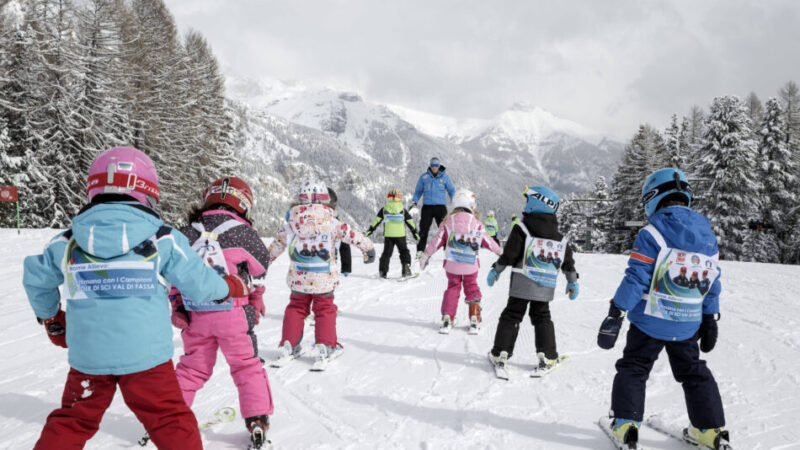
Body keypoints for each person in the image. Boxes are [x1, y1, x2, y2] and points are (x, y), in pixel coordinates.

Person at [22, 147, 249, 450]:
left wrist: (51, 317)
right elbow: (200, 284)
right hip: (147, 359)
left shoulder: (68, 241)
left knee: (73, 420)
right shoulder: (162, 237)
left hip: (89, 358)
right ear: (148, 194)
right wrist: (229, 286)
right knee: (169, 419)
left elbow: (36, 280)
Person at [597, 168, 728, 450]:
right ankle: (709, 430)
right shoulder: (707, 235)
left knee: (634, 367)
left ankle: (626, 425)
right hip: (687, 323)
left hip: (650, 321)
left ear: (652, 198)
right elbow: (712, 279)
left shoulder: (652, 232)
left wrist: (616, 312)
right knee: (693, 371)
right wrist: (710, 316)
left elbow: (637, 278)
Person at [170, 177, 273, 448]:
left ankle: (170, 419)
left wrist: (177, 305)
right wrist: (256, 296)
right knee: (246, 366)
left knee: (191, 369)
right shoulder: (243, 232)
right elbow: (260, 267)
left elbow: (172, 272)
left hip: (195, 314)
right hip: (233, 313)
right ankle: (257, 420)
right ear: (244, 205)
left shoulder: (185, 233)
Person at [268, 180, 376, 368]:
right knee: (324, 309)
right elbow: (353, 236)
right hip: (323, 278)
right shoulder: (333, 223)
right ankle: (325, 347)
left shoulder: (291, 224)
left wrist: (263, 262)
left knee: (296, 308)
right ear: (326, 201)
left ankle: (289, 344)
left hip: (298, 278)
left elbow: (276, 245)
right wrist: (368, 249)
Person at [486, 186, 579, 372]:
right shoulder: (559, 237)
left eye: (528, 200)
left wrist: (496, 270)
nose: (526, 204)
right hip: (544, 287)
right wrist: (572, 280)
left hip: (522, 282)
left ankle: (500, 352)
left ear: (536, 202)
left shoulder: (521, 228)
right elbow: (567, 261)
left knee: (512, 315)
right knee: (542, 317)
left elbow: (510, 254)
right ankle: (548, 356)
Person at [420, 189, 502, 332]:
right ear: (471, 205)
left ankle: (447, 317)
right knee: (471, 286)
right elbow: (488, 241)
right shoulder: (476, 223)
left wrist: (426, 255)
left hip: (452, 264)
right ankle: (474, 317)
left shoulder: (448, 222)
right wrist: (501, 252)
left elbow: (437, 240)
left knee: (453, 287)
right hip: (470, 265)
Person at [365, 188, 420, 278]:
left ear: (389, 198)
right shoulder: (402, 209)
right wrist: (415, 233)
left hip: (388, 236)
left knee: (386, 254)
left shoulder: (384, 209)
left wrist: (369, 231)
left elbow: (376, 221)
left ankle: (383, 271)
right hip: (400, 235)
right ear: (399, 198)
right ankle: (406, 268)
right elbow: (410, 222)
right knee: (404, 252)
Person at [411, 157, 456, 257]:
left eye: (436, 165)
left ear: (439, 166)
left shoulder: (444, 177)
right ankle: (420, 251)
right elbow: (418, 191)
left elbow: (451, 190)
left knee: (445, 229)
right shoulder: (424, 177)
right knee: (423, 229)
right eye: (432, 165)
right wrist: (415, 201)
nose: (434, 167)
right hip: (427, 207)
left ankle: (448, 250)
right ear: (430, 165)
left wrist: (455, 199)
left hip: (440, 207)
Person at [327, 188, 352, 276]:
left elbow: (344, 242)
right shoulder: (336, 221)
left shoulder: (306, 220)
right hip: (328, 266)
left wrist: (346, 267)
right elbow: (345, 241)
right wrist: (346, 267)